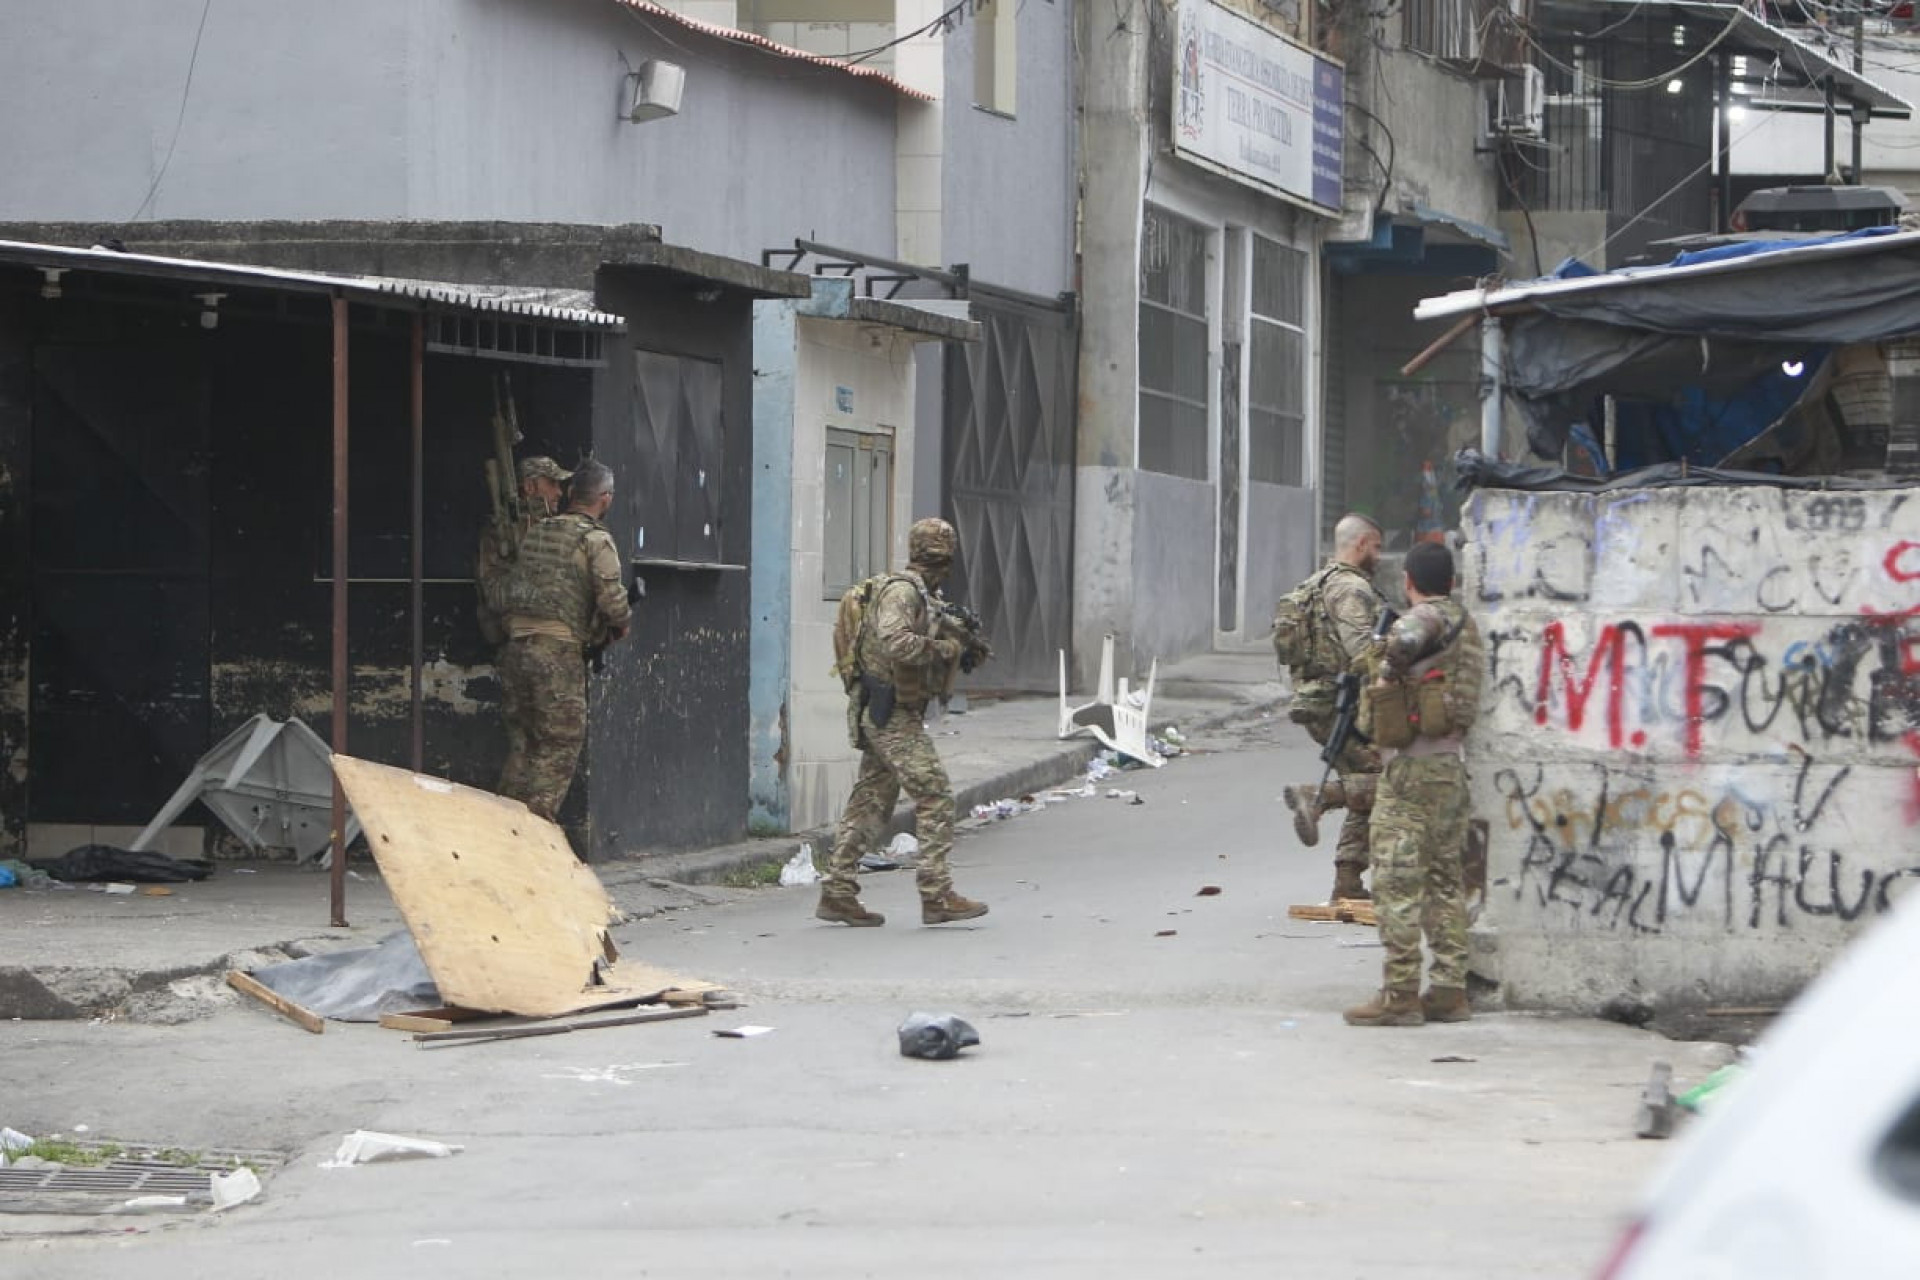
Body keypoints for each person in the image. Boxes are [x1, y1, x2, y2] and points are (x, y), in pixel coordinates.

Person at [816, 517, 989, 928]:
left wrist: (959, 644)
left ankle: (837, 893)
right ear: (944, 558)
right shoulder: (903, 592)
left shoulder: (921, 595)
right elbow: (897, 643)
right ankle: (936, 894)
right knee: (936, 794)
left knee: (870, 802)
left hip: (886, 712)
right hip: (890, 712)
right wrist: (944, 649)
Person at [1343, 540, 1484, 1028]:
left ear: (1408, 582)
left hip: (1410, 772)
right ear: (1452, 580)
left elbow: (1405, 639)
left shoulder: (1427, 618)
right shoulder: (1466, 626)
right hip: (1449, 768)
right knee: (1445, 882)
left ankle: (1400, 995)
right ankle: (1449, 990)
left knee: (1395, 881)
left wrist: (1385, 675)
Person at [494, 459, 631, 823]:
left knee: (523, 745)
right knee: (559, 743)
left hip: (516, 650)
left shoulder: (537, 531)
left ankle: (500, 829)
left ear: (571, 493)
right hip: (556, 653)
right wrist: (622, 623)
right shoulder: (595, 540)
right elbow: (611, 600)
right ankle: (535, 830)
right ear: (605, 499)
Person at [1278, 512, 1386, 902]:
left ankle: (1348, 882)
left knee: (1365, 778)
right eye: (1376, 547)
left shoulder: (1315, 584)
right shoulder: (1350, 589)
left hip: (1319, 702)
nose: (1379, 556)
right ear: (1361, 544)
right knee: (1388, 781)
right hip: (1346, 705)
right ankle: (1317, 796)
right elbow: (1362, 651)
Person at [479, 456, 571, 776]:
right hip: (519, 648)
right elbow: (493, 594)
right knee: (529, 748)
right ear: (531, 487)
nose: (559, 492)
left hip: (557, 651)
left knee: (551, 746)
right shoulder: (503, 532)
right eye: (552, 484)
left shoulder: (557, 531)